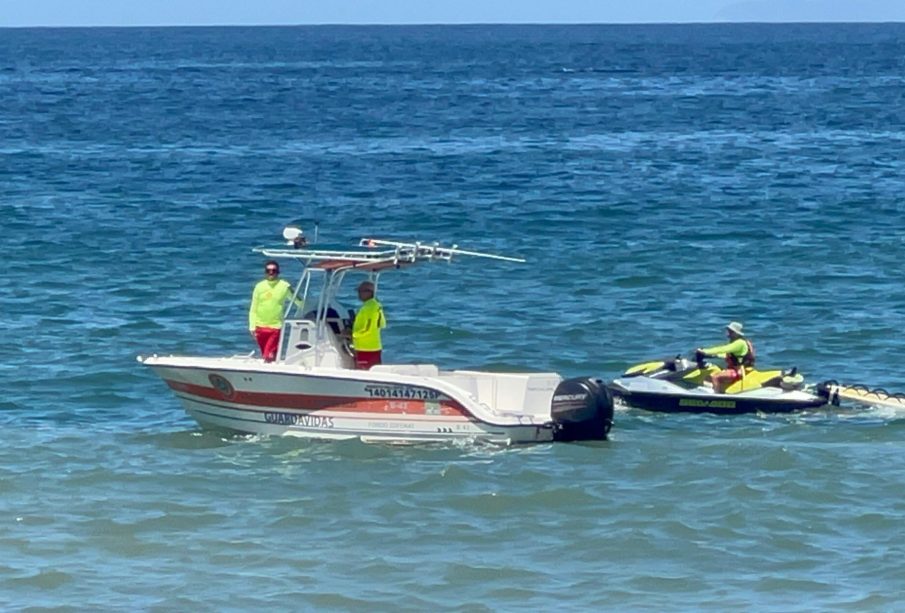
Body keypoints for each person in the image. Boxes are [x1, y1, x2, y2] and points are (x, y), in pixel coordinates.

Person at [248, 260, 299, 362]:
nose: (271, 273)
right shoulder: (259, 286)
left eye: (273, 270)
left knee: (268, 356)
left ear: (278, 272)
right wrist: (252, 326)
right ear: (265, 272)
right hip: (260, 328)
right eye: (268, 270)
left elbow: (298, 301)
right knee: (267, 355)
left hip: (275, 328)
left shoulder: (284, 286)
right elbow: (253, 308)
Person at [697, 321, 756, 393]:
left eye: (730, 332)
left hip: (737, 371)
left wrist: (705, 351)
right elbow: (727, 354)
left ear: (736, 333)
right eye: (728, 331)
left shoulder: (739, 343)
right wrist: (712, 355)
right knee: (710, 374)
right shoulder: (739, 342)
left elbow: (724, 349)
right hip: (735, 369)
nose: (728, 334)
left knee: (715, 377)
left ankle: (716, 396)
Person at [351, 280, 386, 370]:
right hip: (374, 347)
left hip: (366, 348)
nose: (358, 294)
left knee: (363, 372)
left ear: (369, 293)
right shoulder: (376, 305)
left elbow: (368, 328)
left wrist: (353, 335)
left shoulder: (369, 308)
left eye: (360, 292)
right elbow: (382, 324)